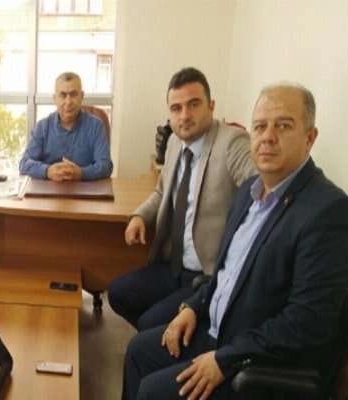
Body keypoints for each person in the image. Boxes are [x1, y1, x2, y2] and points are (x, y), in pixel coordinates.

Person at [120, 83, 348, 400]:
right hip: (220, 334)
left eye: (283, 126)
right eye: (260, 126)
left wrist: (226, 359)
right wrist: (193, 307)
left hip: (260, 371)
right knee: (138, 351)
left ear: (310, 137)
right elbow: (226, 275)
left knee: (153, 396)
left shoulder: (330, 212)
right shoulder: (249, 193)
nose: (268, 137)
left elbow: (306, 324)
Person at [108, 67, 257, 330]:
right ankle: (162, 339)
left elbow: (262, 192)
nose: (185, 115)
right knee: (118, 293)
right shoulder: (175, 143)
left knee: (149, 323)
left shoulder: (232, 143)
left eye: (194, 104)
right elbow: (161, 192)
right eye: (176, 108)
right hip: (174, 265)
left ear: (211, 106)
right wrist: (140, 216)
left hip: (208, 274)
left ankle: (163, 338)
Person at [19, 72, 112, 181]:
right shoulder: (42, 127)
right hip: (49, 189)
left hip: (85, 189)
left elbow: (106, 166)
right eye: (63, 95)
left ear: (82, 96)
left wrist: (81, 173)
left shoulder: (96, 126)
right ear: (55, 98)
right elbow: (24, 164)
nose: (68, 102)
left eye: (73, 94)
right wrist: (47, 171)